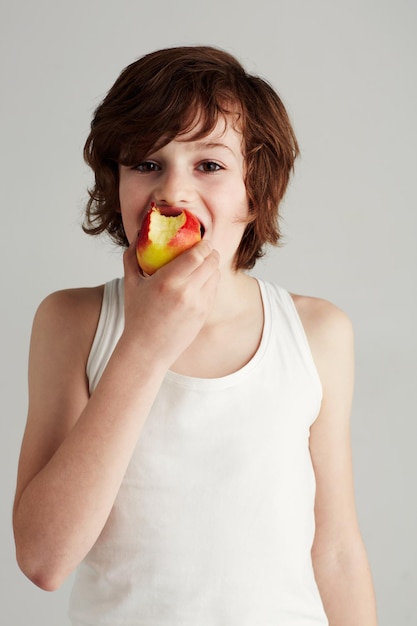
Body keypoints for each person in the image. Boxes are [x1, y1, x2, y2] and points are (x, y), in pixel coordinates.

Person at [13, 46, 378, 625]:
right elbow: (44, 560)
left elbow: (334, 551)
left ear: (253, 194)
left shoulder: (316, 333)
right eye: (146, 164)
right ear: (118, 184)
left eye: (209, 165)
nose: (171, 194)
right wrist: (146, 344)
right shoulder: (73, 323)